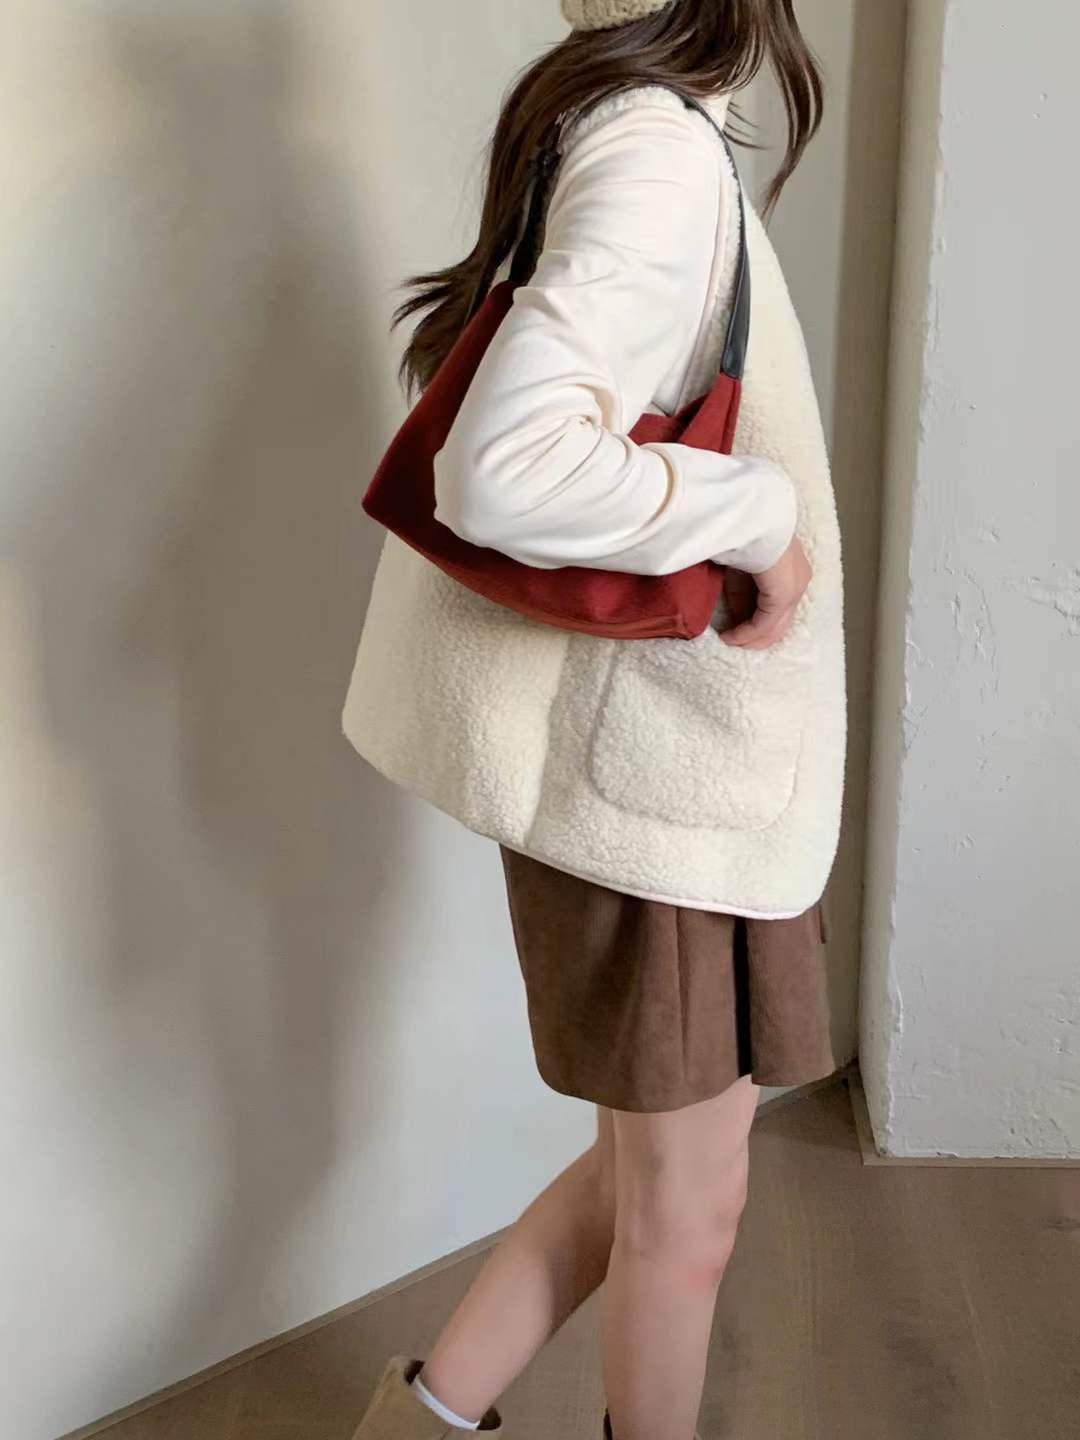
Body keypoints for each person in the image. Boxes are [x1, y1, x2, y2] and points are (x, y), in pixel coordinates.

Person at [342, 2, 847, 1437]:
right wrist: (760, 518)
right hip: (664, 787)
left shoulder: (637, 124)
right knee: (686, 1212)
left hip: (671, 774)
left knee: (652, 1185)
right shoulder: (656, 150)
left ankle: (414, 1427)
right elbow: (503, 469)